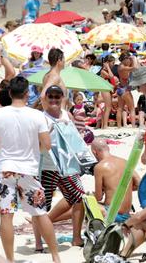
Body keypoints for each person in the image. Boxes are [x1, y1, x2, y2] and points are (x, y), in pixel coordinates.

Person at [0, 76, 61, 263]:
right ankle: (56, 257)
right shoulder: (37, 115)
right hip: (28, 169)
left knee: (6, 216)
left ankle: (9, 259)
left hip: (5, 168)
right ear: (26, 94)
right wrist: (33, 151)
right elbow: (47, 145)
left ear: (9, 93)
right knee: (40, 213)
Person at [33, 85, 86, 249]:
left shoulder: (66, 115)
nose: (54, 99)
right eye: (51, 97)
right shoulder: (41, 118)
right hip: (47, 167)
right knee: (41, 205)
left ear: (62, 98)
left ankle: (76, 238)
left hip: (68, 166)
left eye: (58, 96)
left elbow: (74, 138)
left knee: (79, 198)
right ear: (45, 99)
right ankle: (38, 242)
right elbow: (36, 144)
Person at [91, 139, 141, 222]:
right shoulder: (125, 162)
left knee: (85, 202)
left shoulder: (99, 167)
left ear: (94, 152)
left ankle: (78, 234)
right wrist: (123, 189)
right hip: (126, 214)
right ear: (108, 148)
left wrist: (91, 195)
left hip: (111, 214)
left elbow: (98, 197)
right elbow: (139, 184)